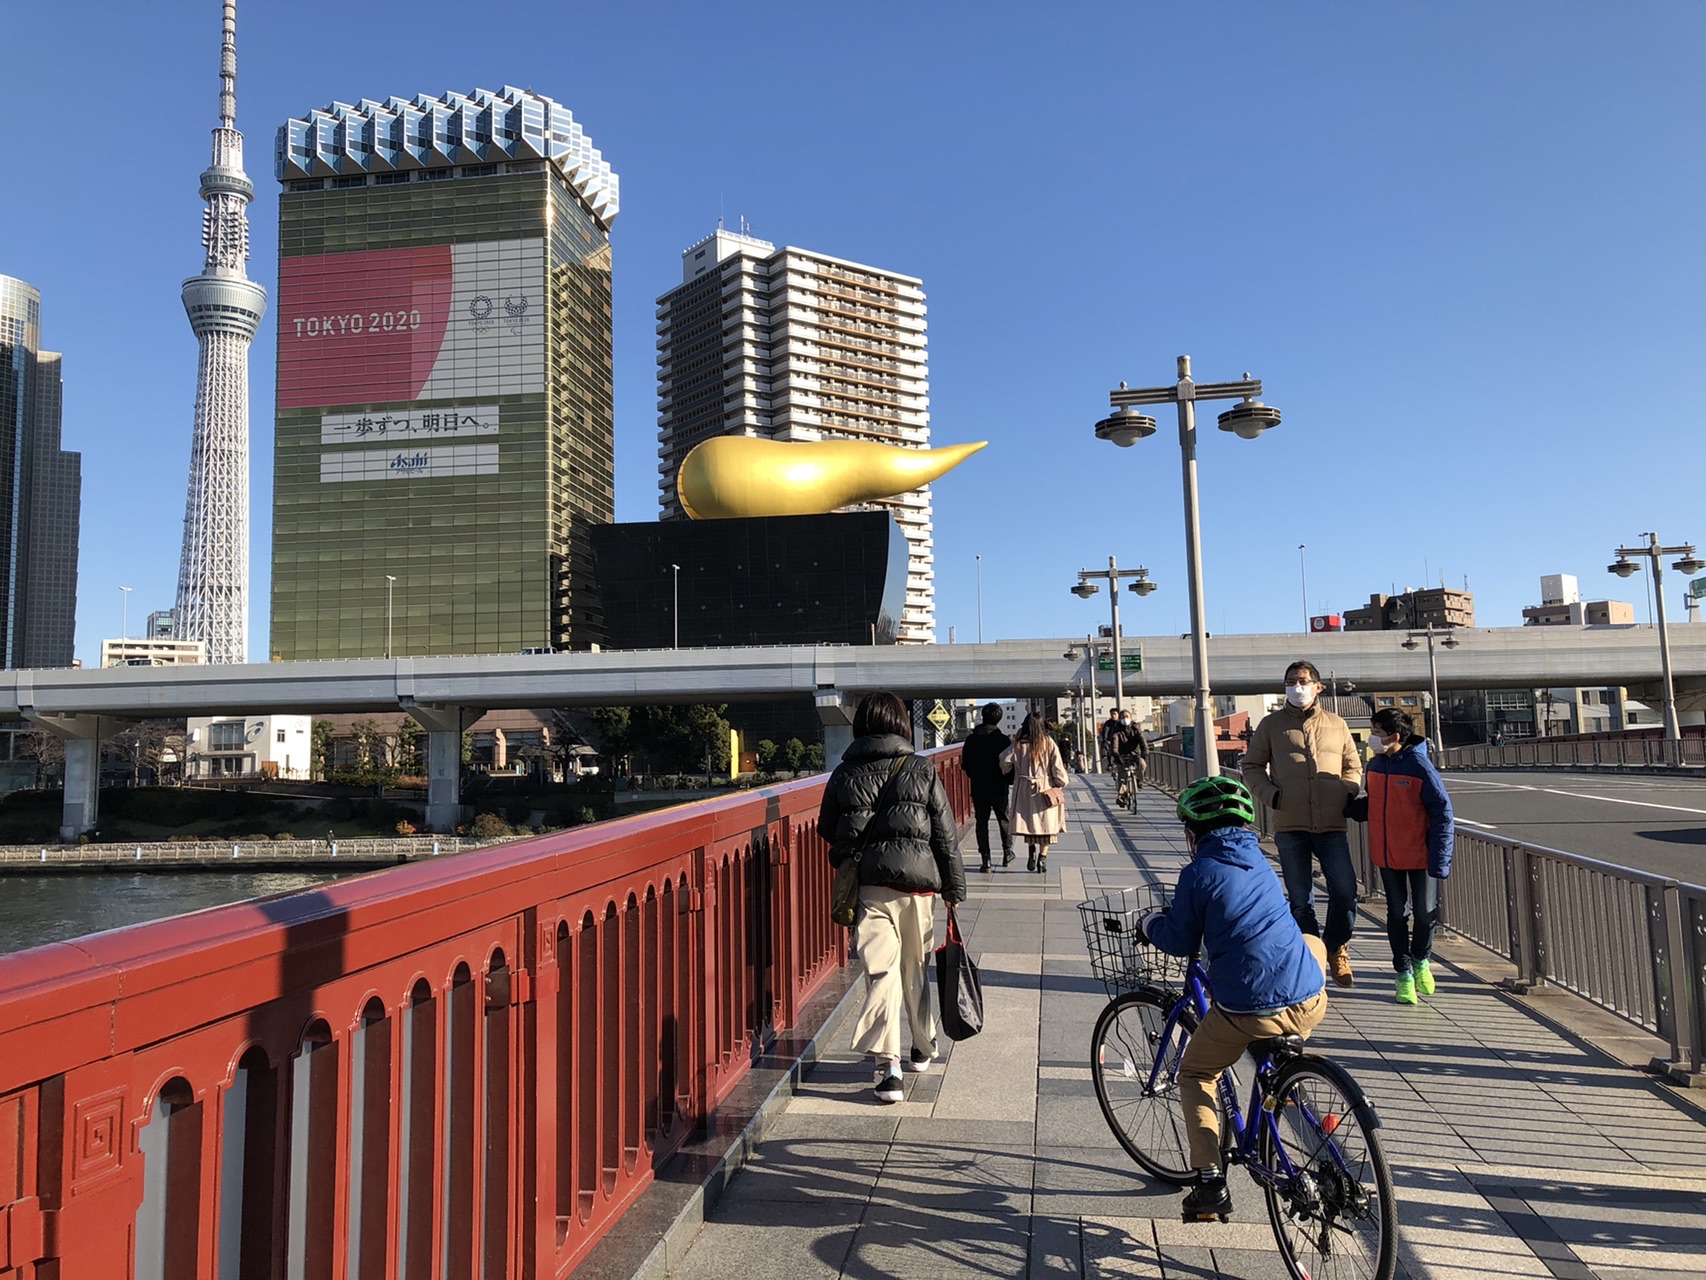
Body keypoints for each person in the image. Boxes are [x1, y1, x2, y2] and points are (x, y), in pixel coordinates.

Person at [1137, 775, 1329, 1223]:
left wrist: (1148, 924)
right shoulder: (1261, 861)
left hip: (1250, 1009)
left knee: (1196, 1072)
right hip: (1309, 997)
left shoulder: (1199, 872)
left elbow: (1180, 939)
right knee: (1308, 943)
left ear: (1193, 832)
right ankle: (1283, 1057)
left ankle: (1208, 1184)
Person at [818, 692, 967, 1104]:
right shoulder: (921, 768)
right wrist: (953, 888)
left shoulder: (844, 773)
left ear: (860, 725)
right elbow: (944, 834)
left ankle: (889, 1069)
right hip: (918, 888)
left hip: (868, 888)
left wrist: (856, 847)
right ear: (902, 724)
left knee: (879, 970)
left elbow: (827, 827)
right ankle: (921, 1045)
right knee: (914, 969)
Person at [1240, 660, 1364, 987]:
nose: (1297, 686)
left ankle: (1337, 947)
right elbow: (1251, 766)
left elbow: (1353, 766)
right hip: (1289, 824)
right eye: (1291, 681)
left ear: (1318, 686)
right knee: (1300, 899)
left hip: (1332, 824)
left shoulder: (1337, 724)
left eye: (1304, 681)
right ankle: (1313, 956)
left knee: (1345, 890)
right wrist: (1272, 796)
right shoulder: (1271, 725)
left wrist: (1347, 790)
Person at [1360, 708, 1454, 1004]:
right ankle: (1403, 975)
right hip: (1388, 855)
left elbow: (1443, 813)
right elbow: (1374, 805)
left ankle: (1421, 960)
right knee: (1397, 915)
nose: (1372, 738)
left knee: (1425, 915)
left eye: (1376, 732)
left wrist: (1441, 859)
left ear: (1395, 736)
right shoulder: (1374, 766)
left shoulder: (1420, 766)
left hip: (1420, 855)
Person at [1002, 712, 1069, 873]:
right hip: (1045, 787)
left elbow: (1004, 760)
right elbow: (1058, 769)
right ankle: (1042, 858)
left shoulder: (1018, 744)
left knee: (1030, 823)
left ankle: (1031, 850)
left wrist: (1012, 773)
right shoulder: (1048, 742)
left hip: (1024, 787)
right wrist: (1060, 783)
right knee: (1046, 826)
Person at [959, 702, 1015, 872]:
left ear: (982, 717)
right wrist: (1008, 780)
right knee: (1004, 819)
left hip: (979, 787)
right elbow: (1009, 765)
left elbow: (965, 764)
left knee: (981, 822)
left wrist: (975, 776)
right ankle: (1007, 852)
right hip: (999, 786)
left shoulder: (971, 739)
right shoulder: (1003, 740)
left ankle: (986, 860)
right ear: (999, 719)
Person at [1107, 710, 1150, 802]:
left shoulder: (1135, 728)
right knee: (1122, 776)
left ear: (1130, 717)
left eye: (1127, 716)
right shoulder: (1117, 728)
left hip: (1135, 754)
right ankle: (1122, 796)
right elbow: (1115, 741)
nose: (1125, 719)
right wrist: (1115, 752)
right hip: (1121, 755)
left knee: (1142, 765)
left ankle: (1139, 780)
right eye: (1122, 717)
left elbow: (1142, 740)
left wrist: (1145, 751)